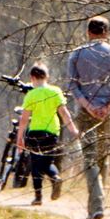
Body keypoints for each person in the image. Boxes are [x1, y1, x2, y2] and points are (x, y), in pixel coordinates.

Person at [66, 16, 110, 219]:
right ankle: (98, 200)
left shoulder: (77, 54)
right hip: (109, 113)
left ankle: (96, 203)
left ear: (88, 32)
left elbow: (73, 85)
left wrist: (89, 107)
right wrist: (109, 107)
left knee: (89, 157)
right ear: (107, 33)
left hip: (86, 111)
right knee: (103, 155)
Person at [15, 64, 79, 206]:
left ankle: (38, 197)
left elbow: (24, 119)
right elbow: (64, 113)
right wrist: (73, 129)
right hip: (52, 132)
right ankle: (55, 177)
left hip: (35, 132)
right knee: (48, 163)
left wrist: (20, 138)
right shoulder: (55, 91)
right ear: (47, 77)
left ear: (32, 78)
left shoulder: (31, 94)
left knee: (36, 165)